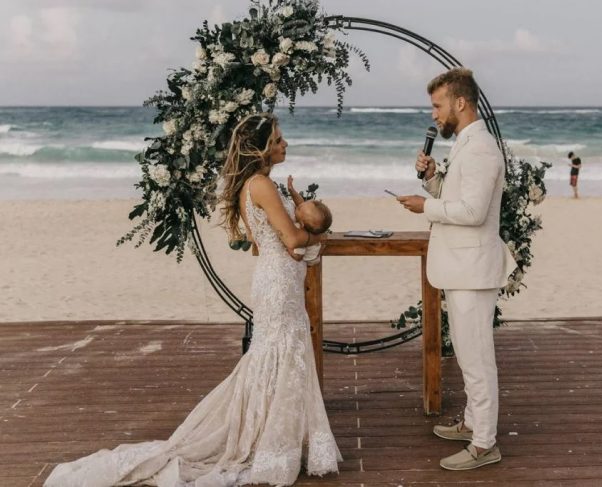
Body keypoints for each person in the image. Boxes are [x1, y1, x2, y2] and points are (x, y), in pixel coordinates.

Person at [44, 113, 341, 487]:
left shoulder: (256, 185)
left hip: (275, 278)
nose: (285, 144)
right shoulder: (262, 184)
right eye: (279, 139)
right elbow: (295, 241)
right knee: (281, 354)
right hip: (279, 282)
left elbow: (262, 242)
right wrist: (320, 239)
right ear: (261, 147)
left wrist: (297, 214)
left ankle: (274, 436)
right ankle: (271, 441)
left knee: (278, 355)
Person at [397, 68, 517, 471]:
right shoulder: (466, 145)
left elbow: (472, 212)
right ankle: (471, 423)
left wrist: (424, 206)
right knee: (467, 353)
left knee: (477, 357)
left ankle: (485, 444)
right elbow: (459, 197)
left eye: (437, 105)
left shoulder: (481, 148)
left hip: (473, 268)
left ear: (459, 103)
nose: (433, 114)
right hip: (460, 266)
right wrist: (433, 181)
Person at [287, 175, 332, 265]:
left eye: (298, 209)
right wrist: (291, 190)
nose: (298, 205)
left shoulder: (301, 234)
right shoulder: (305, 219)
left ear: (302, 224)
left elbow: (298, 256)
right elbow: (300, 203)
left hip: (310, 260)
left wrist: (288, 249)